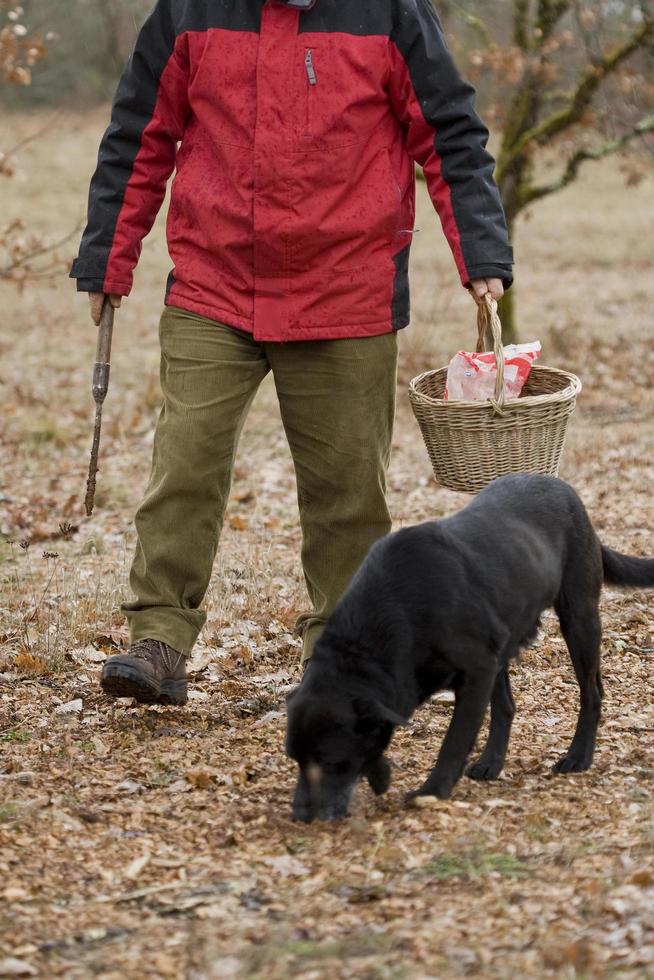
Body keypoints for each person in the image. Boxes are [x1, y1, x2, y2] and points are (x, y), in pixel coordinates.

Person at [71, 0, 513, 706]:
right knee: (185, 460)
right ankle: (158, 636)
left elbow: (450, 132)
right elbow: (139, 131)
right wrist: (106, 258)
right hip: (214, 282)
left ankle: (344, 654)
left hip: (348, 289)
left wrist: (482, 251)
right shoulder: (188, 9)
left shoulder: (392, 12)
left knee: (347, 492)